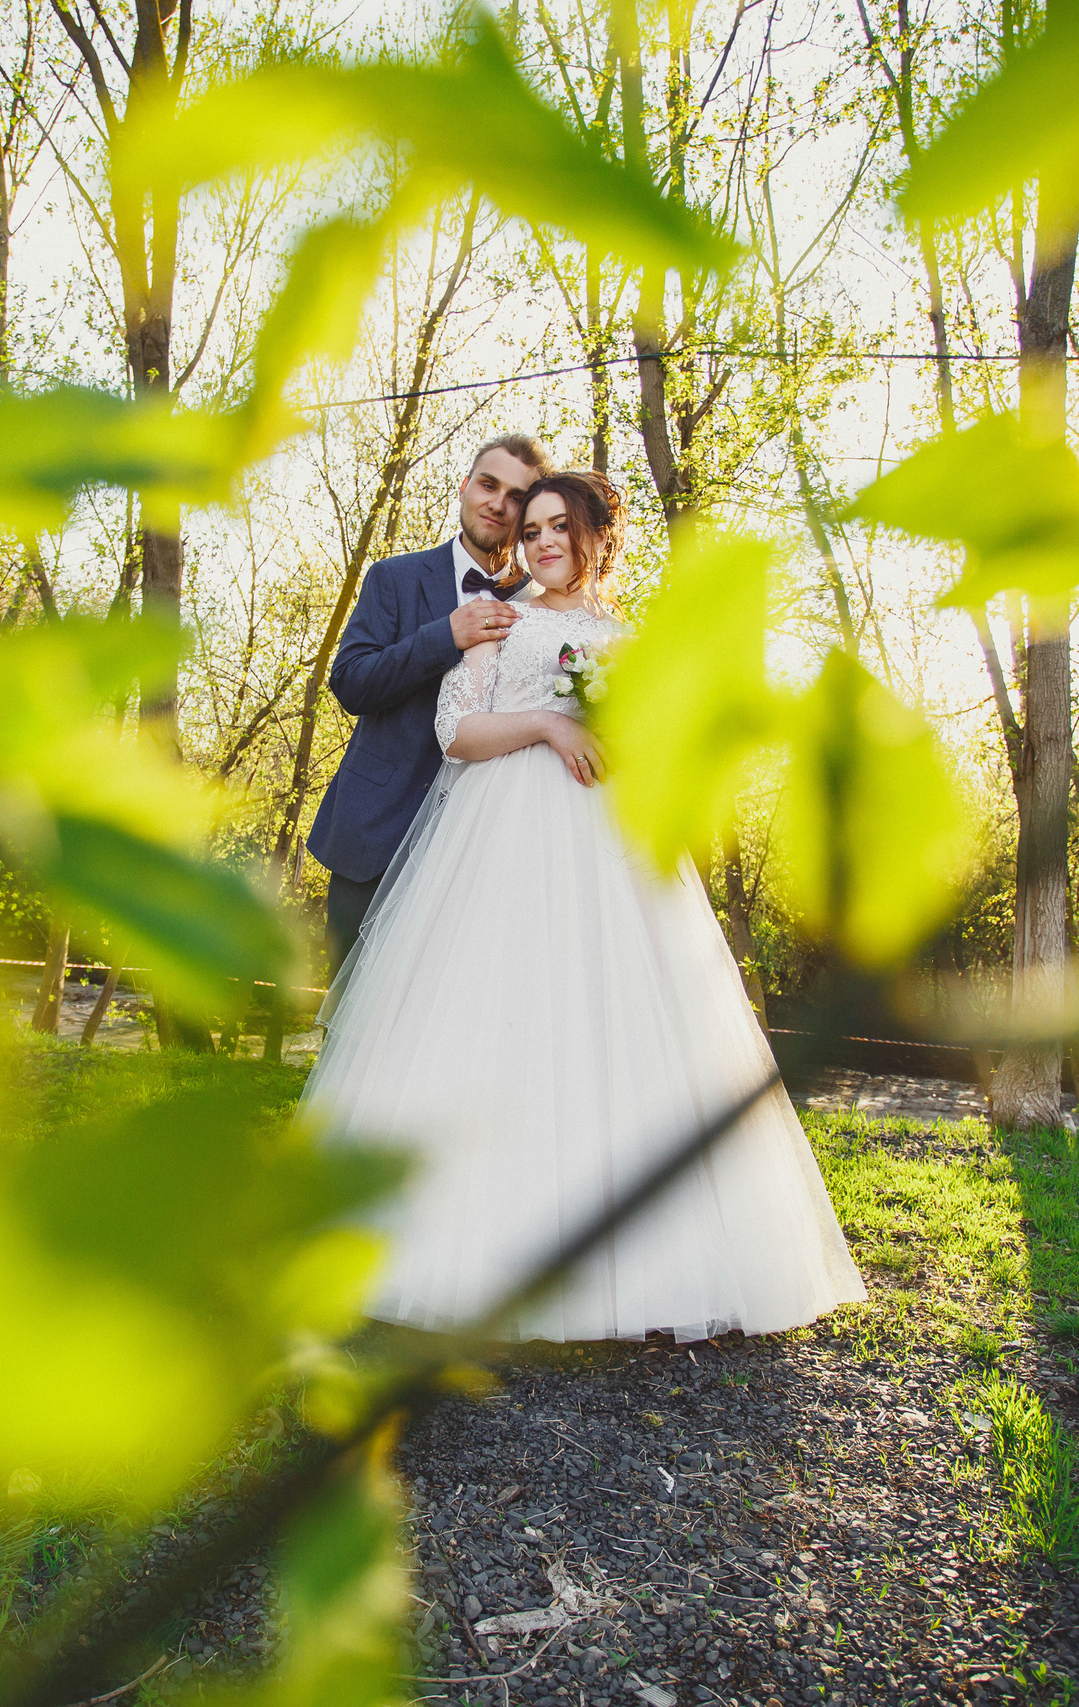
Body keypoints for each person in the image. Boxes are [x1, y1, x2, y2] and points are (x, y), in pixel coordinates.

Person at [303, 470, 865, 1343]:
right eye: (531, 530)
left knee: (617, 1025)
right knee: (487, 1020)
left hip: (608, 847)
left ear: (599, 535)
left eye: (559, 527)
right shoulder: (500, 616)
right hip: (497, 840)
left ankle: (633, 1256)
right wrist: (550, 725)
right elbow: (457, 731)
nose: (541, 543)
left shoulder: (629, 641)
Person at [307, 434, 566, 970]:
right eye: (488, 485)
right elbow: (351, 682)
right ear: (464, 487)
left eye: (516, 496)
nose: (497, 503)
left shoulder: (542, 603)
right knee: (349, 1016)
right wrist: (444, 635)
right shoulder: (394, 579)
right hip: (377, 835)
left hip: (483, 849)